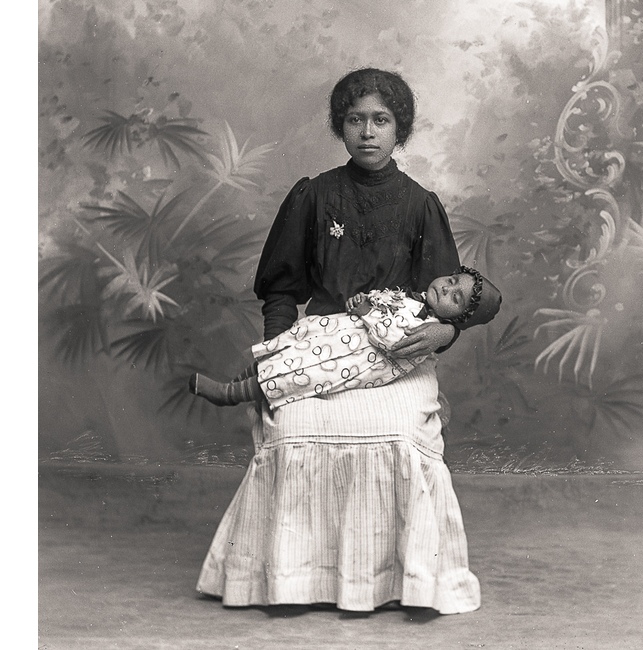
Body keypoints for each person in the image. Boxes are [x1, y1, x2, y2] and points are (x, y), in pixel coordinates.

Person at [196, 68, 489, 614]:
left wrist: (445, 332)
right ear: (340, 126)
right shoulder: (314, 196)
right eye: (355, 119)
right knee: (296, 428)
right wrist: (281, 360)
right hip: (321, 345)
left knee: (400, 433)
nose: (368, 132)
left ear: (400, 129)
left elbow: (450, 302)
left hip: (395, 356)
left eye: (381, 120)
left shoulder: (420, 204)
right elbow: (281, 290)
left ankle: (406, 579)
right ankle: (293, 580)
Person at [188, 267, 502, 410]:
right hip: (343, 335)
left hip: (358, 359)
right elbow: (385, 300)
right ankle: (234, 382)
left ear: (458, 318)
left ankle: (229, 394)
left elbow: (391, 340)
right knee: (291, 347)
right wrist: (366, 300)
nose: (446, 288)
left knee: (299, 371)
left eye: (455, 297)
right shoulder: (415, 298)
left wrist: (368, 312)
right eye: (451, 280)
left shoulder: (429, 331)